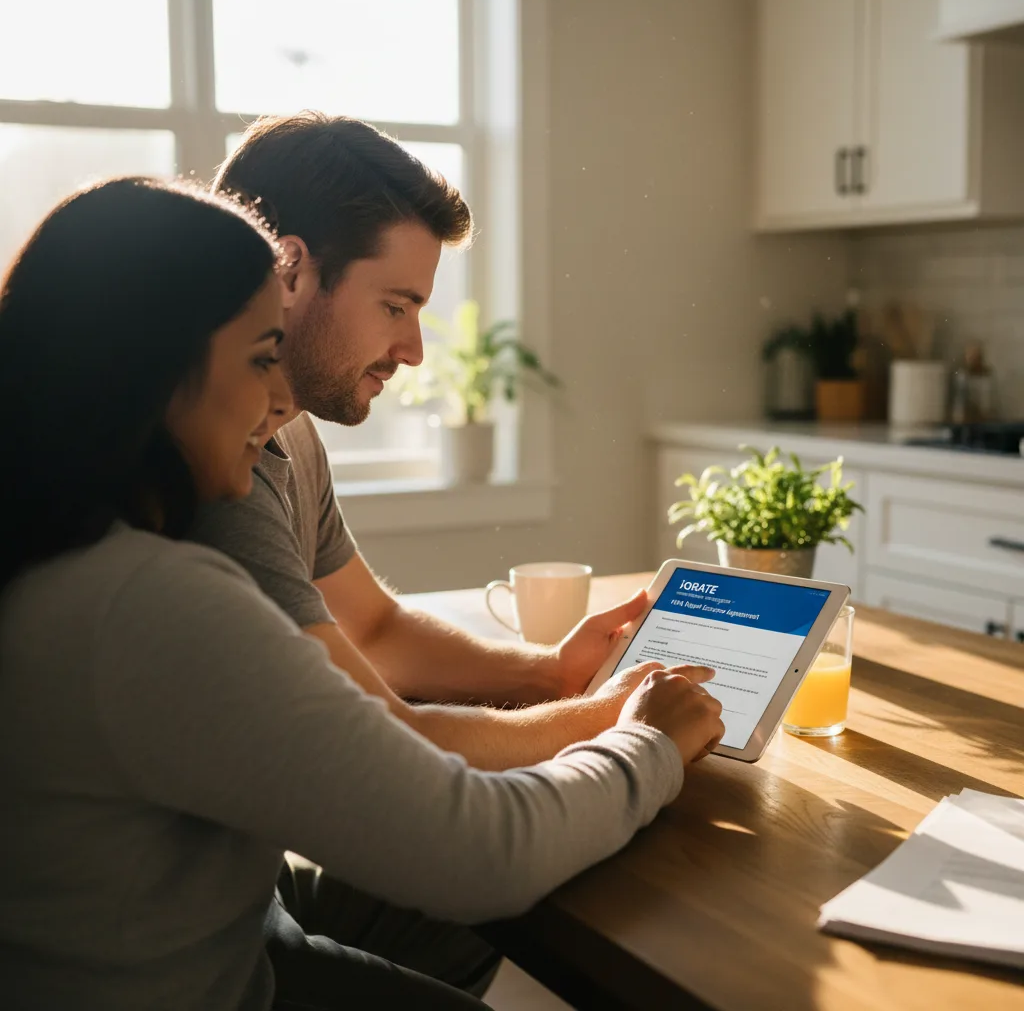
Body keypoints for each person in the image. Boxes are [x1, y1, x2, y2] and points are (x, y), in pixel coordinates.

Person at [0, 176, 724, 1011]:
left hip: (225, 923)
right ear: (151, 369)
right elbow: (476, 852)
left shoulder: (61, 549)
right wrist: (644, 744)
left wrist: (551, 676)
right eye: (260, 358)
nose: (280, 399)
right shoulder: (150, 603)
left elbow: (374, 630)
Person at [190, 111, 695, 998]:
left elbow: (374, 629)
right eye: (396, 307)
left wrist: (549, 672)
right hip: (212, 950)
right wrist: (623, 724)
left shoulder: (288, 430)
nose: (415, 351)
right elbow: (398, 743)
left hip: (249, 888)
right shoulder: (221, 477)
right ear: (292, 270)